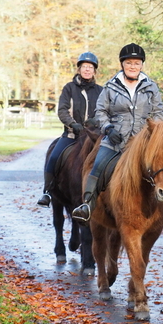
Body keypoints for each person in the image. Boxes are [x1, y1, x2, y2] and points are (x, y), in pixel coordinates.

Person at [71, 43, 163, 227]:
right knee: (98, 165)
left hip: (144, 142)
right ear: (122, 65)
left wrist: (155, 133)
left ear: (141, 65)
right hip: (116, 139)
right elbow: (100, 111)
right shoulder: (110, 86)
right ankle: (87, 206)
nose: (133, 66)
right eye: (129, 62)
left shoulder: (151, 87)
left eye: (136, 63)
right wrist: (109, 128)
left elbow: (158, 112)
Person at [37, 52, 103, 207]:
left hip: (94, 136)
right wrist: (73, 124)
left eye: (90, 67)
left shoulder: (101, 90)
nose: (87, 70)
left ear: (94, 71)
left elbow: (104, 110)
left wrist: (96, 121)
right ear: (79, 69)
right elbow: (62, 110)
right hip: (72, 135)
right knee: (54, 157)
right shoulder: (69, 88)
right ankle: (47, 191)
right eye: (84, 67)